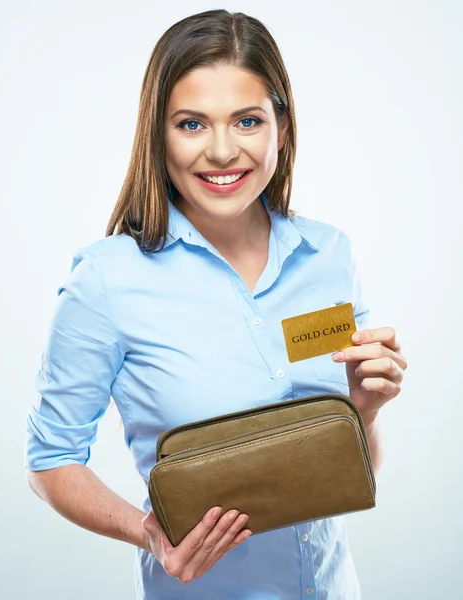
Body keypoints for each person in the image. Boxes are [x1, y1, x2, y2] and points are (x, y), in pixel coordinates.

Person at [24, 9, 407, 600]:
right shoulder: (106, 279)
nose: (223, 151)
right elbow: (50, 460)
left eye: (247, 120)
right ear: (159, 133)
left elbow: (349, 477)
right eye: (192, 124)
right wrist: (148, 534)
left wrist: (365, 411)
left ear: (281, 123)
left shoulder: (329, 255)